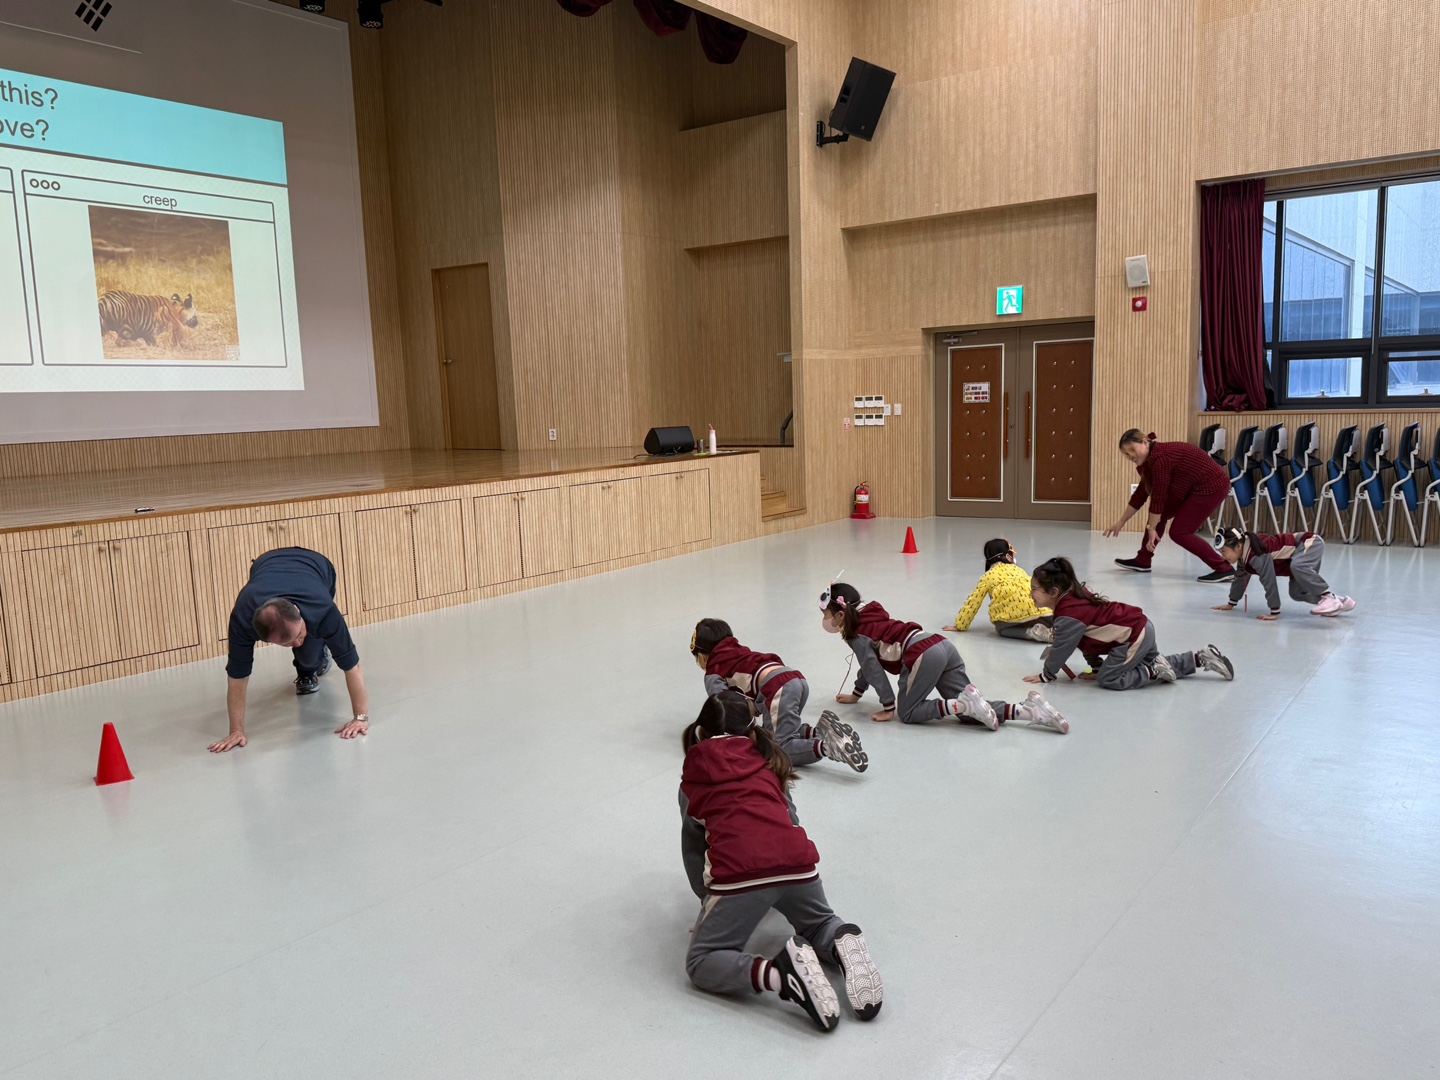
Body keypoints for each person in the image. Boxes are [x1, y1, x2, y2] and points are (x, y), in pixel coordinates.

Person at [680, 691, 884, 1031]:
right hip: (799, 864)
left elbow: (693, 847)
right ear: (751, 731)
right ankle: (840, 942)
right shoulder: (769, 762)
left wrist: (706, 900)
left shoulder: (694, 778)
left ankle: (781, 973)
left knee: (702, 962)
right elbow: (790, 818)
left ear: (702, 731)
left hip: (741, 876)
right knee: (819, 923)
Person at [821, 582, 1068, 733]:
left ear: (841, 615)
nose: (828, 620)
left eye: (829, 615)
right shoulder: (871, 614)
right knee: (971, 713)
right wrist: (857, 693)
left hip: (920, 654)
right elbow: (869, 663)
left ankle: (960, 703)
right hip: (940, 644)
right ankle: (1028, 711)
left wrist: (888, 706)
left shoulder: (856, 634)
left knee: (907, 713)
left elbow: (873, 669)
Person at [209, 547, 369, 753]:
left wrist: (361, 718)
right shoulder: (243, 618)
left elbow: (352, 666)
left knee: (309, 655)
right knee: (303, 647)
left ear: (299, 612)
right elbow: (237, 676)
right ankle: (310, 651)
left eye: (299, 634)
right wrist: (235, 730)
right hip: (265, 565)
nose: (297, 642)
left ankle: (314, 660)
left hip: (317, 565)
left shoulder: (323, 609)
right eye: (287, 644)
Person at [1026, 557, 1234, 691]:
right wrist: (1096, 667)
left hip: (1133, 636)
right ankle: (1200, 658)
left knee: (1109, 679)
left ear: (1053, 593)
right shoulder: (1072, 599)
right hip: (1137, 630)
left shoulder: (1068, 615)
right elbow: (1085, 640)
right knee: (1126, 667)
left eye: (1034, 589)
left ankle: (1153, 671)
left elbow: (1064, 648)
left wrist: (1046, 675)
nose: (1030, 593)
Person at [691, 618, 868, 772]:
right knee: (782, 728)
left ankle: (828, 747)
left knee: (778, 747)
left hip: (777, 688)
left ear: (702, 656)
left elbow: (723, 707)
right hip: (795, 679)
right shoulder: (740, 652)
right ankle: (820, 731)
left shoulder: (714, 671)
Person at [1103, 428, 1235, 582]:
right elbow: (1140, 494)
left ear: (1145, 442)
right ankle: (1143, 560)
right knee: (1160, 515)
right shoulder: (1150, 461)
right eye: (1126, 454)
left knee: (1180, 532)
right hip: (1194, 487)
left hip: (1212, 486)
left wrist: (1152, 528)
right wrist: (1121, 522)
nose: (1130, 456)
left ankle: (1224, 568)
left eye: (1132, 450)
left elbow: (1159, 497)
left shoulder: (1161, 459)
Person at [1211, 526, 1356, 619]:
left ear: (1238, 546)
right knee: (1296, 593)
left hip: (1309, 542)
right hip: (1296, 555)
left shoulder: (1256, 555)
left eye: (1224, 552)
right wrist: (1231, 603)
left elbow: (1269, 581)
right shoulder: (1244, 556)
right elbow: (1240, 579)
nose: (1223, 556)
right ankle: (1342, 602)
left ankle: (1328, 597)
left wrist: (1274, 611)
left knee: (1298, 566)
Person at [952, 538, 1054, 641]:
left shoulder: (988, 576)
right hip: (1042, 610)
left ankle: (1031, 633)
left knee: (1001, 628)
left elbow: (973, 601)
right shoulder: (1020, 570)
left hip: (1013, 617)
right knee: (1046, 615)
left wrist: (960, 625)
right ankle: (1056, 626)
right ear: (1009, 557)